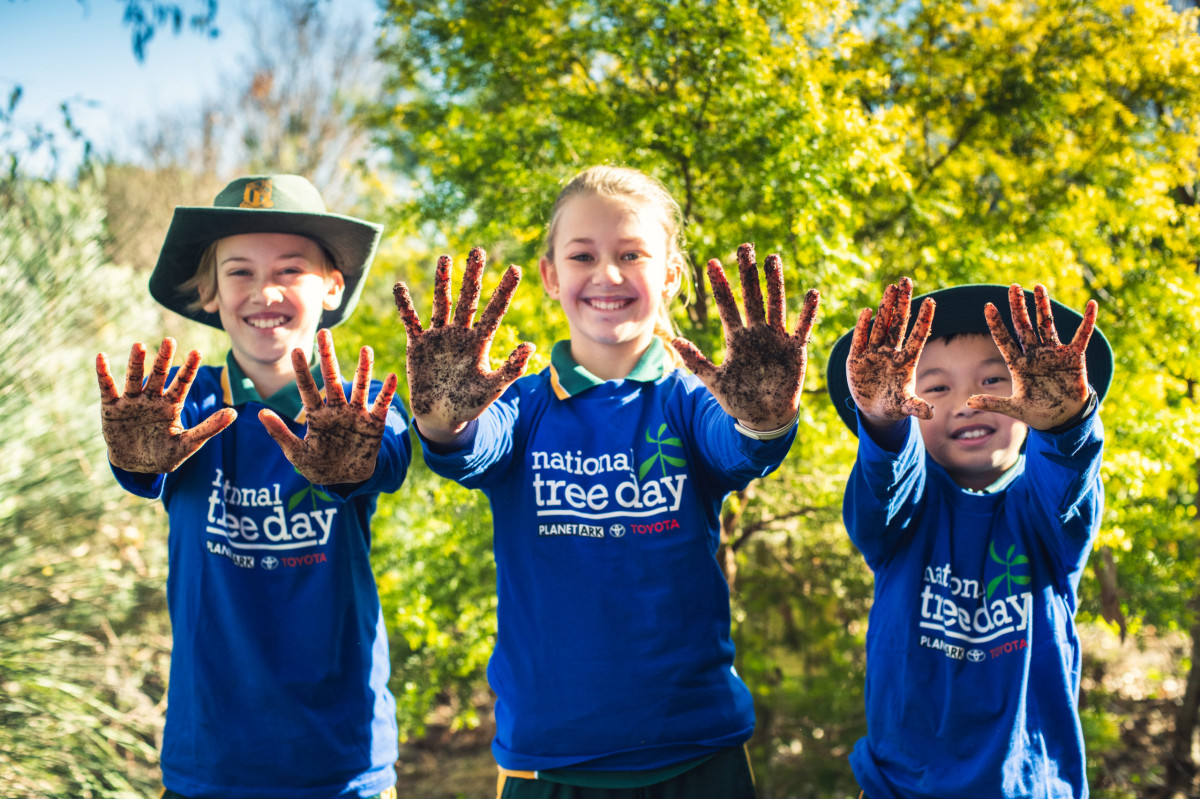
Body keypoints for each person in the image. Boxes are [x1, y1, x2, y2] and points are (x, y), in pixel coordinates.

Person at [391, 165, 820, 798]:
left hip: (698, 757)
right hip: (551, 762)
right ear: (550, 275)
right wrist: (442, 420)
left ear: (671, 274)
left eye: (631, 255)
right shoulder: (523, 404)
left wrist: (763, 416)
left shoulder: (691, 400)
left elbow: (739, 449)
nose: (607, 275)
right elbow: (472, 448)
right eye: (582, 255)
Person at [94, 175, 411, 799]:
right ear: (208, 292)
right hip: (211, 760)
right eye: (240, 272)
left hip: (343, 764)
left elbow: (391, 456)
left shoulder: (359, 408)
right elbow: (141, 470)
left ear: (331, 284)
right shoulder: (185, 407)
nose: (265, 292)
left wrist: (354, 462)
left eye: (290, 270)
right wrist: (136, 459)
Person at [825, 278, 1114, 799]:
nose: (967, 403)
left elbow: (1066, 477)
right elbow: (887, 479)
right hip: (901, 787)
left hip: (1030, 788)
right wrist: (884, 424)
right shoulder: (904, 514)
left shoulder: (1044, 514)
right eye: (934, 388)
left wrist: (1064, 424)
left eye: (994, 380)